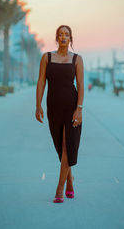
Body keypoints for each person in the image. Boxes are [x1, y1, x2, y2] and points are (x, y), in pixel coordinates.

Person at [35, 25, 84, 203]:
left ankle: (59, 188)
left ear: (71, 38)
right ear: (57, 38)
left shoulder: (77, 59)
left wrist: (79, 108)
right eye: (60, 34)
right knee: (59, 146)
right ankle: (70, 182)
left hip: (71, 107)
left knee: (67, 146)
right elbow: (41, 81)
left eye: (67, 35)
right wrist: (38, 105)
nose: (63, 37)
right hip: (53, 108)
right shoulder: (47, 57)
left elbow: (80, 85)